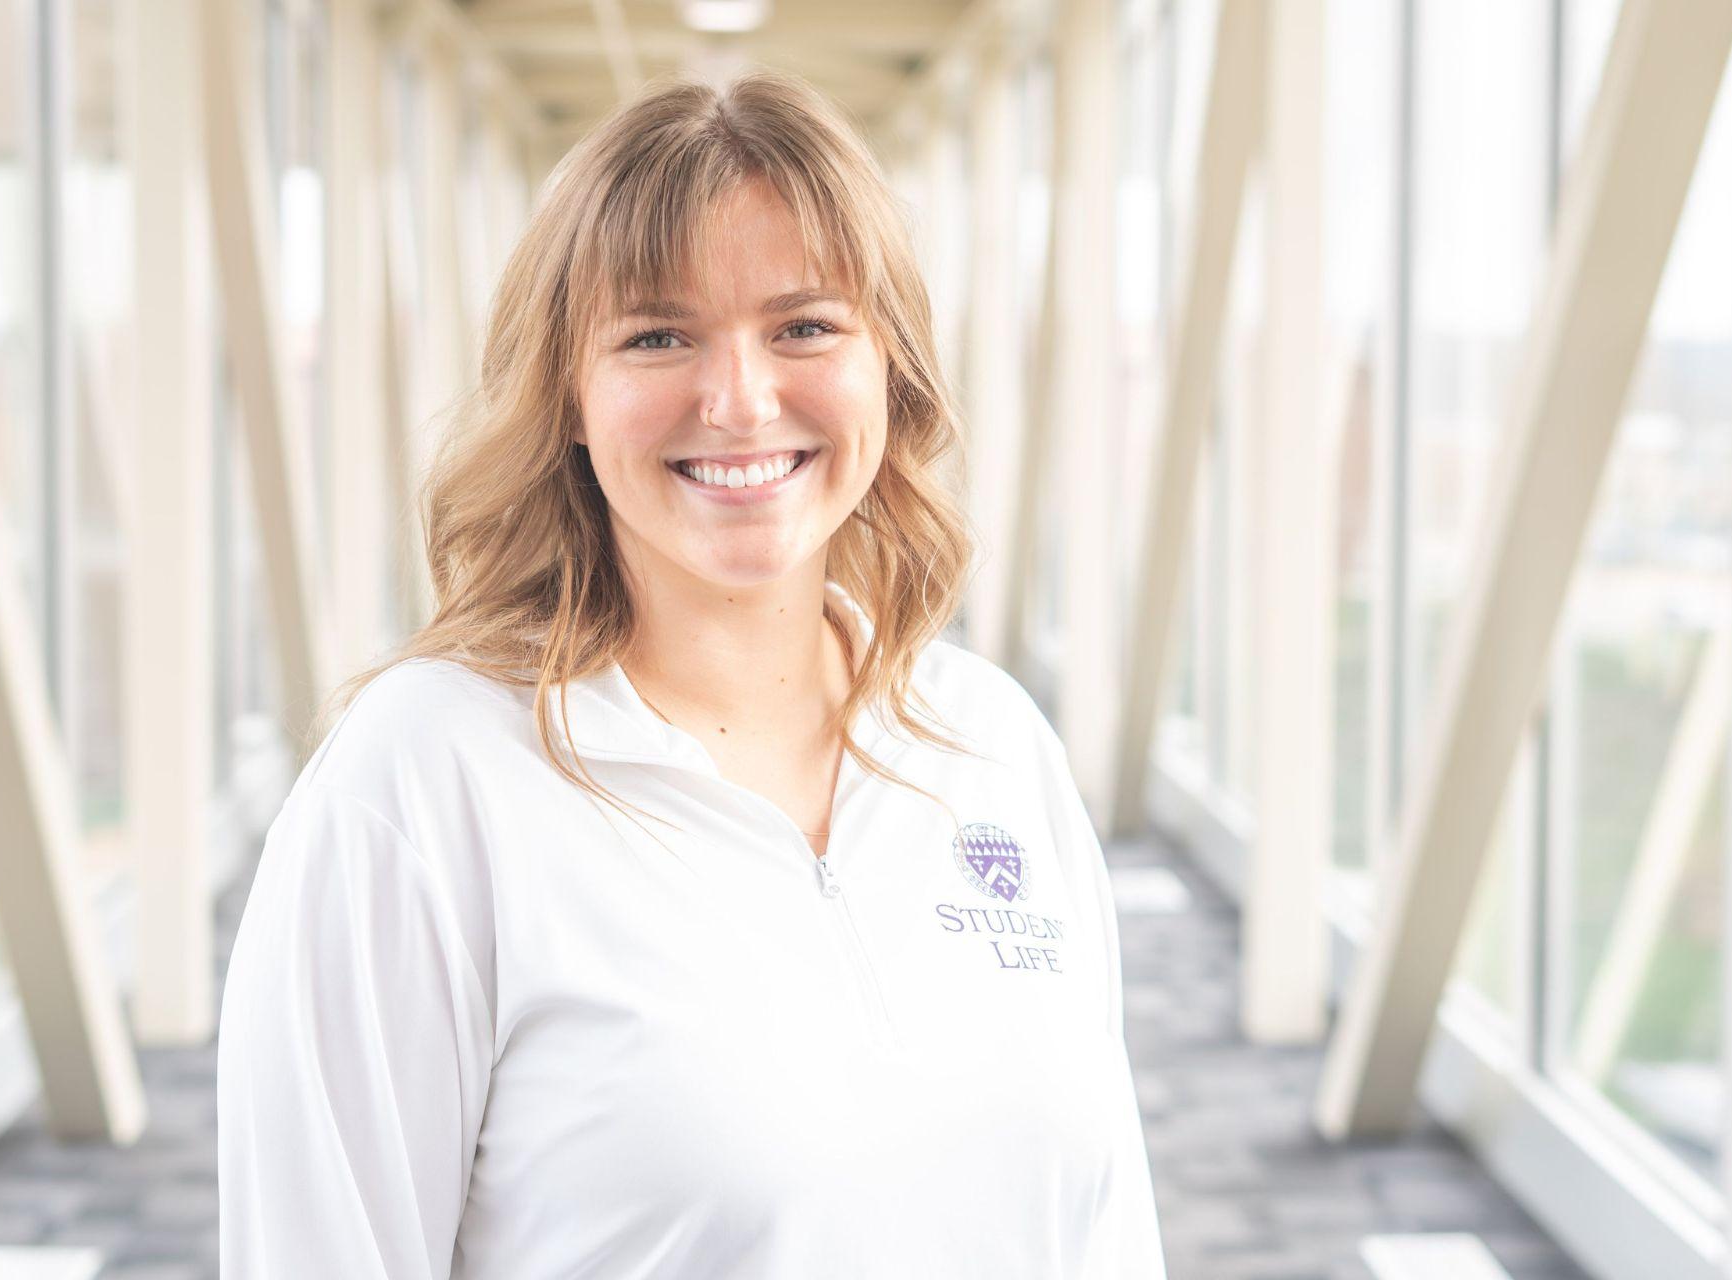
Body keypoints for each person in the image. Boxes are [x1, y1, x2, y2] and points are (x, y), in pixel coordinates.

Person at [216, 69, 1166, 1279]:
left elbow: (1108, 1233)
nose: (739, 398)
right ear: (567, 391)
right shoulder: (424, 777)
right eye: (657, 335)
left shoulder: (989, 741)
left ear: (890, 369)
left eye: (804, 325)